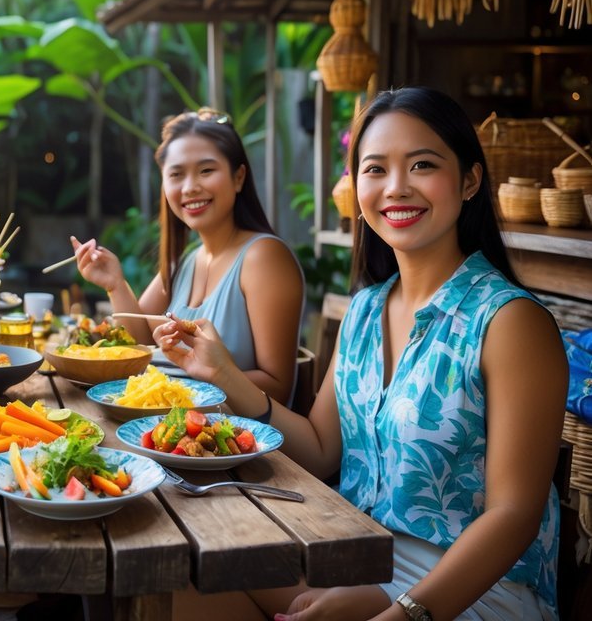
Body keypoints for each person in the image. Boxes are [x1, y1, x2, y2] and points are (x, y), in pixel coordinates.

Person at [154, 87, 565, 621]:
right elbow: (323, 449)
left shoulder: (511, 323)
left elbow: (513, 516)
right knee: (189, 573)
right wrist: (226, 375)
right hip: (359, 552)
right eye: (375, 169)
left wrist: (398, 611)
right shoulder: (367, 309)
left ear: (469, 180)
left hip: (476, 585)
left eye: (422, 164)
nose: (396, 187)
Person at [70, 107, 302, 404]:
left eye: (206, 170)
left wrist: (181, 383)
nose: (190, 187)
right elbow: (138, 341)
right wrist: (115, 284)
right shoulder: (188, 261)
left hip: (240, 442)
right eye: (176, 175)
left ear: (239, 177)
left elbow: (278, 389)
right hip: (170, 432)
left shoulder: (263, 258)